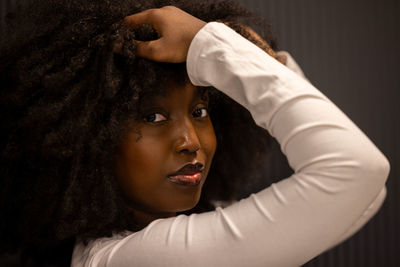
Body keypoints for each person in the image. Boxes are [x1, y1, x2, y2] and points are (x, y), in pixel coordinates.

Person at [0, 0, 389, 266]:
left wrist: (254, 58)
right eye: (152, 117)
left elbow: (366, 193)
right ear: (84, 140)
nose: (192, 141)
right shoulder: (135, 259)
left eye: (200, 110)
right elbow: (355, 172)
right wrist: (215, 48)